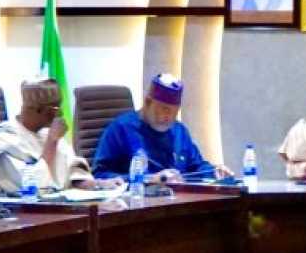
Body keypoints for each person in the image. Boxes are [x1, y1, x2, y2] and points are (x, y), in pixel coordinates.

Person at [0, 76, 113, 196]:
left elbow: (73, 174)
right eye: (54, 110)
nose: (59, 115)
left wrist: (98, 185)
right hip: (18, 214)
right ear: (40, 110)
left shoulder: (47, 132)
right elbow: (34, 188)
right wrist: (51, 142)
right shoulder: (3, 142)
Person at [92, 73, 230, 183]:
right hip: (139, 204)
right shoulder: (121, 128)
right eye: (164, 109)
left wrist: (214, 171)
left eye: (174, 111)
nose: (169, 117)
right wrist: (149, 180)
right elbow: (99, 175)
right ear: (147, 102)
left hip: (179, 202)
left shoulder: (179, 131)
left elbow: (197, 167)